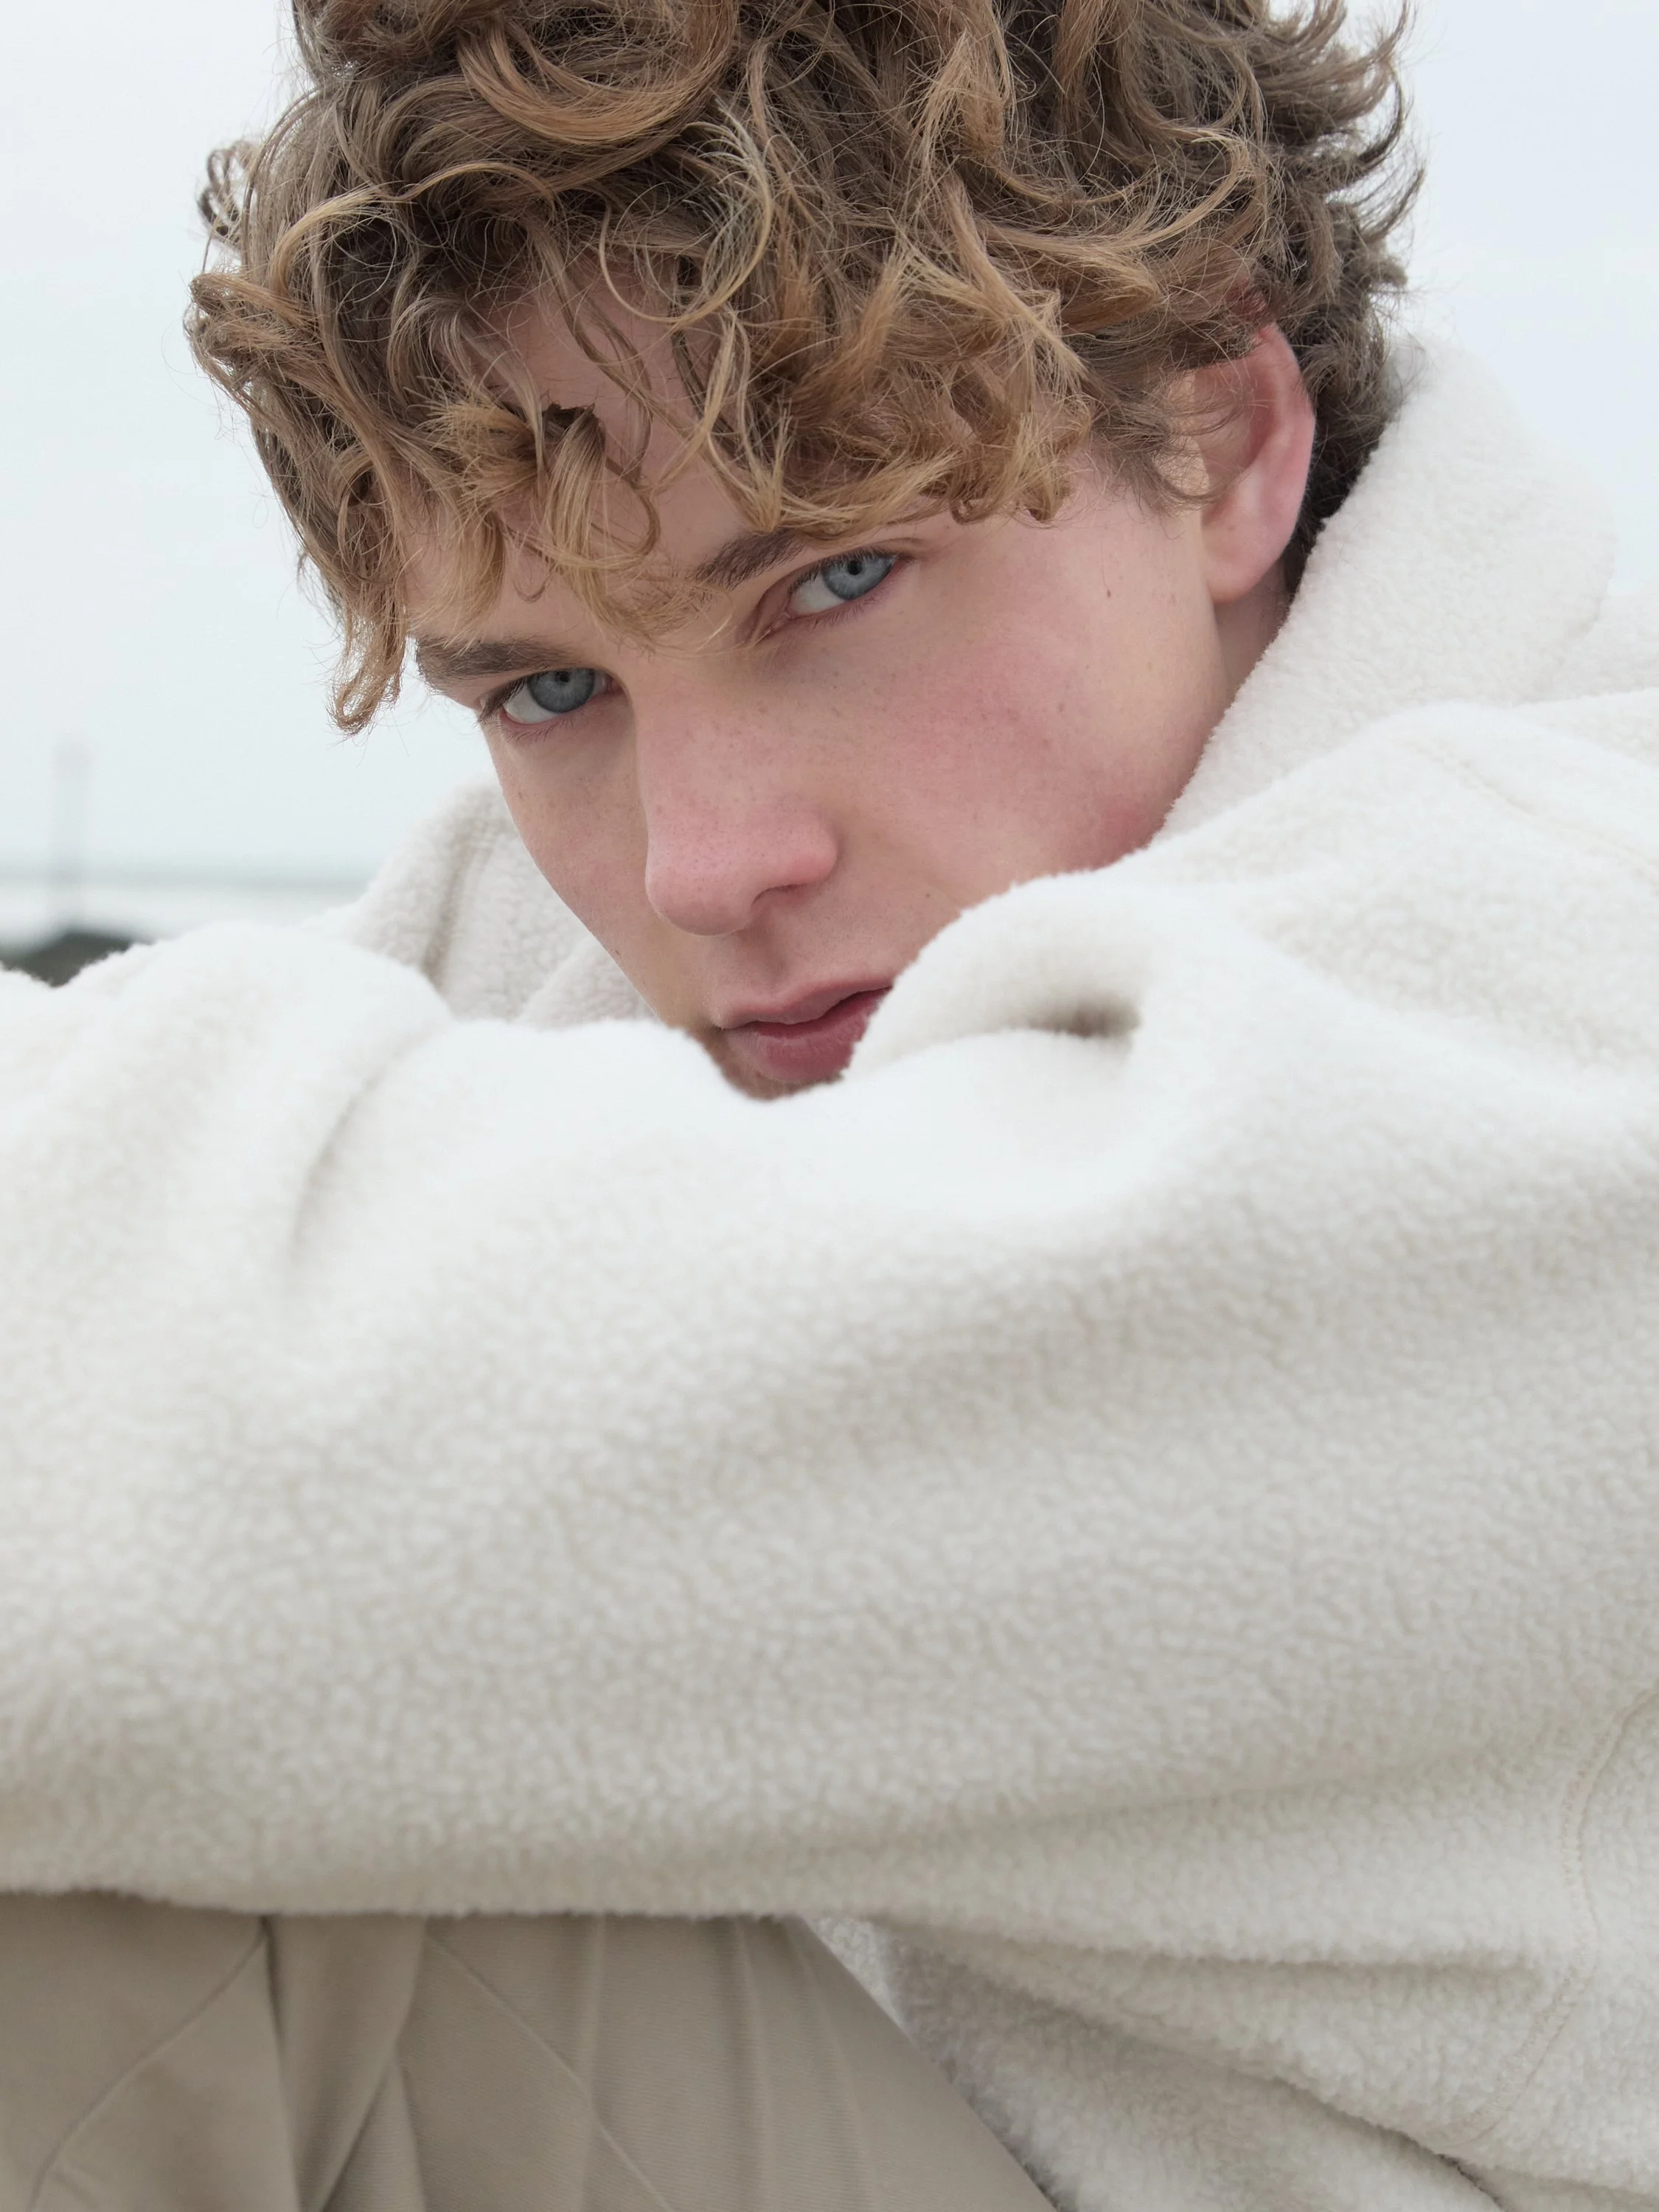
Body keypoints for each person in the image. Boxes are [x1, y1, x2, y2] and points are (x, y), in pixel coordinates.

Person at [2, 0, 1658, 2205]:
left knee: (154, 1910)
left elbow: (155, 1477)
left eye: (833, 580)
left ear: (1225, 437)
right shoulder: (570, 934)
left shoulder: (1575, 984)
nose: (702, 865)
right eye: (553, 689)